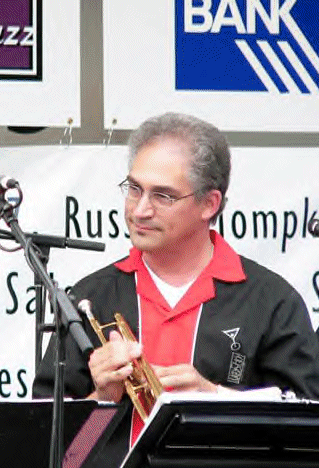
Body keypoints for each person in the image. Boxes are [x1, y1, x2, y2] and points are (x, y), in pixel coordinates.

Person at [33, 112, 319, 467]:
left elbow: (306, 438)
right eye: (134, 188)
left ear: (209, 204)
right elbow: (64, 457)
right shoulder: (90, 298)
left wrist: (214, 398)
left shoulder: (271, 300)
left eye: (163, 196)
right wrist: (104, 398)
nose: (139, 210)